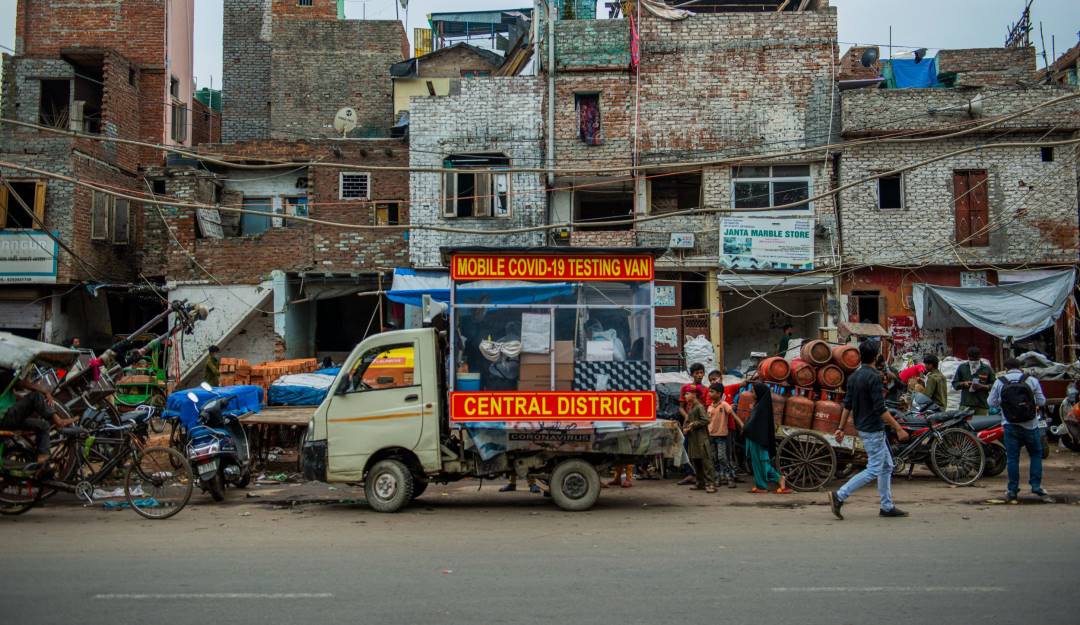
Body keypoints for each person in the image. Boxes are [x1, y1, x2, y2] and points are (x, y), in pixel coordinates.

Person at [828, 340, 910, 519]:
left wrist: (841, 428)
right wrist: (898, 428)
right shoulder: (874, 377)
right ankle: (839, 495)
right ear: (876, 357)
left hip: (863, 427)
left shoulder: (854, 376)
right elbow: (880, 409)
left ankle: (886, 506)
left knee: (887, 466)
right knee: (874, 468)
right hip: (873, 428)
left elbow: (847, 405)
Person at [988, 358, 1053, 504]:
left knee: (1012, 458)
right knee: (1036, 454)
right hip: (1031, 424)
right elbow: (1042, 401)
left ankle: (1012, 490)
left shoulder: (1000, 381)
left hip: (1010, 425)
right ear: (1020, 367)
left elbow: (991, 403)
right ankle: (1036, 486)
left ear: (1005, 368)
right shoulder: (1031, 381)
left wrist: (1005, 405)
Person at [0, 367, 77, 465]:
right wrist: (45, 392)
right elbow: (23, 384)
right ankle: (58, 421)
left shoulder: (7, 378)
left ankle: (42, 459)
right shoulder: (4, 372)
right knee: (36, 396)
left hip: (8, 418)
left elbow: (17, 391)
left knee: (43, 425)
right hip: (4, 417)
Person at [742, 383, 789, 494]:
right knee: (756, 463)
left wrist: (746, 428)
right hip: (755, 439)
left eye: (753, 391)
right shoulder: (758, 406)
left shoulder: (761, 409)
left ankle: (779, 479)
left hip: (759, 441)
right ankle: (761, 486)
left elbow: (754, 425)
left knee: (763, 464)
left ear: (759, 393)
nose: (751, 393)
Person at [677, 363, 710, 486]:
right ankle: (690, 474)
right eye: (697, 373)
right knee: (684, 448)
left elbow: (706, 409)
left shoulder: (706, 389)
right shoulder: (685, 388)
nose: (699, 375)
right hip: (687, 423)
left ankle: (701, 477)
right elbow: (680, 407)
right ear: (692, 374)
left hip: (700, 425)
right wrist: (687, 418)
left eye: (701, 372)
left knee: (700, 450)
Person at [682, 388, 717, 493]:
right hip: (694, 439)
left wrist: (693, 424)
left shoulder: (699, 407)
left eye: (687, 394)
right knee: (696, 462)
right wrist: (685, 427)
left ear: (694, 394)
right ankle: (700, 482)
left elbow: (706, 420)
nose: (685, 396)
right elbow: (688, 420)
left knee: (706, 463)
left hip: (701, 439)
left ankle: (711, 484)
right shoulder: (691, 407)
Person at [708, 383, 741, 488]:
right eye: (709, 391)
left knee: (722, 457)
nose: (709, 394)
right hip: (711, 436)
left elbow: (732, 414)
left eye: (711, 391)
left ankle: (729, 477)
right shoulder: (710, 407)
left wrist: (741, 424)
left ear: (719, 393)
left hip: (721, 436)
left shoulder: (724, 404)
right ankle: (717, 478)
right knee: (714, 458)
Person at [952, 346, 994, 415]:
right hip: (966, 404)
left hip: (981, 404)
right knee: (965, 424)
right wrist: (963, 383)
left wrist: (982, 386)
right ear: (968, 356)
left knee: (981, 424)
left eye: (976, 359)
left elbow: (994, 385)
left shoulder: (987, 368)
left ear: (980, 356)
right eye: (972, 359)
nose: (974, 361)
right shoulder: (962, 367)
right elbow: (955, 384)